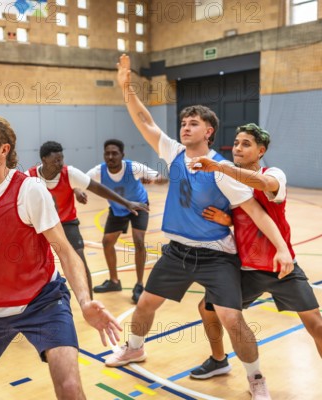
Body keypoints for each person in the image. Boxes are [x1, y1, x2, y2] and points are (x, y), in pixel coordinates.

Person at [104, 55, 295, 400]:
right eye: (183, 123)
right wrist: (126, 87)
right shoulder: (173, 152)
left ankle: (255, 379)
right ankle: (134, 348)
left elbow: (255, 211)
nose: (185, 127)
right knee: (146, 304)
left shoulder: (223, 169)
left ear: (208, 131)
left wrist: (281, 247)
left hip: (215, 256)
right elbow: (144, 120)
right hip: (176, 251)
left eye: (193, 123)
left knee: (231, 318)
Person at [0, 115, 122, 400]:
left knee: (70, 387)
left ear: (4, 150)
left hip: (42, 301)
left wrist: (85, 302)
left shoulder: (29, 190)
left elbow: (64, 249)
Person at [187, 123, 322, 380]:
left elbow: (261, 183)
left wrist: (219, 166)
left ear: (260, 151)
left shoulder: (274, 174)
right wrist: (227, 221)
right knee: (207, 307)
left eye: (246, 144)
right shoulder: (228, 180)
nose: (238, 148)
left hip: (281, 266)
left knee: (317, 325)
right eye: (236, 143)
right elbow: (241, 216)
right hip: (247, 269)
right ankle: (218, 361)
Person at [27, 141, 149, 300]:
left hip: (67, 222)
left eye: (61, 159)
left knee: (80, 262)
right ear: (44, 160)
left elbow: (97, 188)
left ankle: (89, 302)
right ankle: (35, 300)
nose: (60, 163)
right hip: (43, 224)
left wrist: (126, 203)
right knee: (33, 262)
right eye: (55, 160)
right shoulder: (30, 177)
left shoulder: (69, 173)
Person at [83, 138, 167, 303]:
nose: (110, 157)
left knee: (139, 241)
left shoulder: (133, 167)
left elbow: (163, 178)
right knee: (107, 242)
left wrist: (154, 180)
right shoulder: (99, 171)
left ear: (122, 155)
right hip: (117, 209)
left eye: (114, 153)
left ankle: (139, 284)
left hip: (138, 206)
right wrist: (79, 191)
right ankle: (114, 281)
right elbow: (80, 180)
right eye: (107, 153)